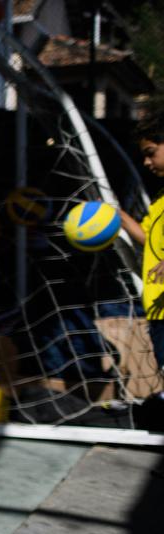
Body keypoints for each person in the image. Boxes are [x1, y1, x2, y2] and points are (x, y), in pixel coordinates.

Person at [118, 105, 164, 371]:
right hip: (158, 309)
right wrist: (118, 217)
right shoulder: (159, 202)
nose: (146, 163)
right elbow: (149, 239)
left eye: (151, 153)